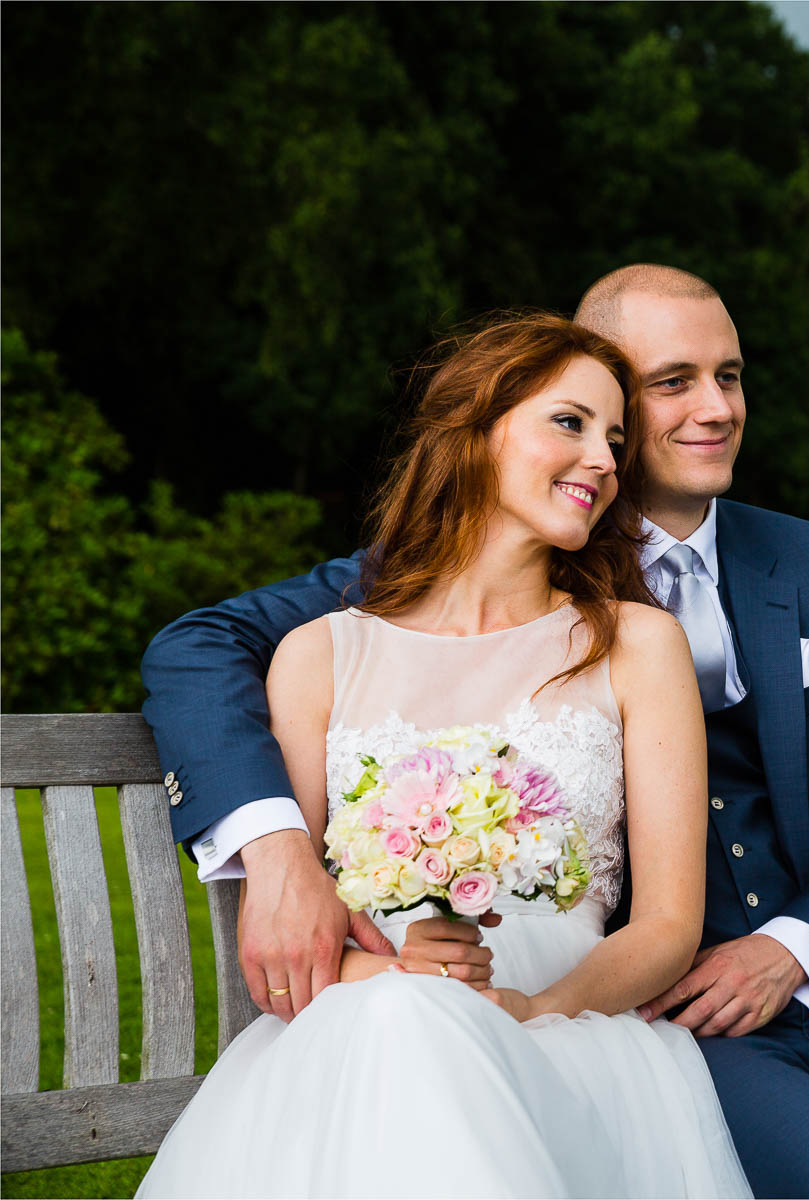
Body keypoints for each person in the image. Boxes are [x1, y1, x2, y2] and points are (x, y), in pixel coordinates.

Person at [142, 266, 809, 1198]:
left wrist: (788, 952)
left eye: (731, 376)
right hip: (655, 1028)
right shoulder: (428, 580)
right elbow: (198, 647)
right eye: (670, 384)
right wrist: (279, 850)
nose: (715, 408)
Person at [136, 314, 751, 1197]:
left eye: (616, 439)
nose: (608, 461)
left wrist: (532, 1010)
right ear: (475, 427)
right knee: (403, 1027)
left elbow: (665, 928)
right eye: (570, 423)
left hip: (565, 1027)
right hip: (367, 1021)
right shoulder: (320, 654)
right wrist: (400, 977)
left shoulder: (637, 646)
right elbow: (292, 937)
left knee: (420, 1039)